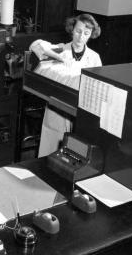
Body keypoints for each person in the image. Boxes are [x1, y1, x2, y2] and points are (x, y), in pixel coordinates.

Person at [29, 14, 102, 157]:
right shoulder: (61, 49)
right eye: (78, 31)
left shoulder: (94, 58)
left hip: (81, 110)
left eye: (86, 33)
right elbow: (35, 45)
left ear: (91, 35)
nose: (81, 37)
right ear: (72, 29)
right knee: (52, 147)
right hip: (59, 105)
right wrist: (57, 56)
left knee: (76, 150)